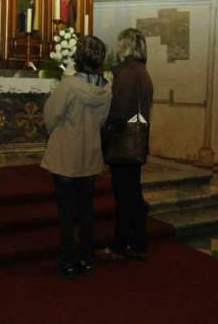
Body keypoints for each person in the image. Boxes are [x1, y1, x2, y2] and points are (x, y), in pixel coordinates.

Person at [41, 36, 112, 279]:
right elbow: (102, 121)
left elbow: (51, 116)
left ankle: (67, 260)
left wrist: (58, 133)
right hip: (89, 154)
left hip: (66, 155)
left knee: (66, 213)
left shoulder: (69, 85)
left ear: (79, 57)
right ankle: (86, 257)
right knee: (86, 210)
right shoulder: (106, 88)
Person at [99, 28, 154, 261]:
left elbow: (119, 112)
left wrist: (104, 137)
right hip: (137, 140)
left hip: (123, 141)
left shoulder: (127, 73)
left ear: (126, 46)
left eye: (120, 44)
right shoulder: (142, 71)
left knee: (124, 196)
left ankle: (121, 245)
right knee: (133, 194)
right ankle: (138, 242)